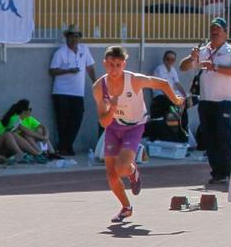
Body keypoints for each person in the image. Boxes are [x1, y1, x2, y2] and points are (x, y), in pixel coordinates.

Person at [94, 45, 185, 222]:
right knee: (111, 174)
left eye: (118, 65)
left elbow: (163, 83)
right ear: (104, 63)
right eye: (111, 65)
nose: (114, 69)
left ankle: (133, 171)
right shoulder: (99, 87)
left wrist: (175, 99)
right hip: (113, 127)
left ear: (124, 64)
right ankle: (126, 208)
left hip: (134, 127)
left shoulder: (134, 80)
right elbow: (103, 121)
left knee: (121, 168)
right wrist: (111, 109)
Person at [180, 17, 231, 186]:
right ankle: (218, 173)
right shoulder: (203, 50)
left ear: (226, 33)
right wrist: (191, 58)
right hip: (206, 101)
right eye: (212, 29)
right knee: (210, 138)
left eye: (218, 29)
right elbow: (183, 67)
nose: (214, 32)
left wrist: (214, 67)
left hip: (224, 101)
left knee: (224, 136)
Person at [48, 24, 96, 156]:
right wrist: (68, 70)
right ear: (67, 38)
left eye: (76, 36)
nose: (73, 39)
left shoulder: (84, 50)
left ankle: (65, 145)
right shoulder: (60, 52)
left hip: (78, 92)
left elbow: (90, 67)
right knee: (62, 121)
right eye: (71, 36)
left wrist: (95, 81)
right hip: (61, 92)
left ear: (79, 38)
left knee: (76, 120)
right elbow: (52, 70)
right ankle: (65, 147)